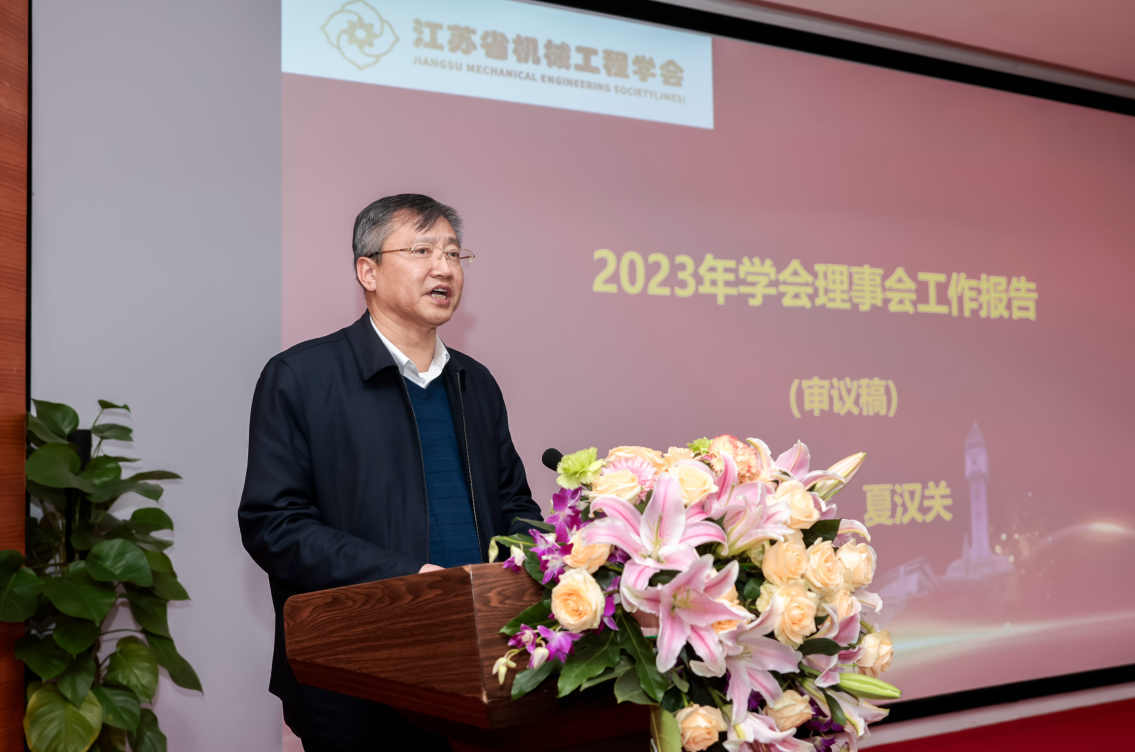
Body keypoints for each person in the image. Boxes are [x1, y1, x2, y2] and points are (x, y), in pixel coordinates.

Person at [238, 194, 543, 751]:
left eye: (453, 253)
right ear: (368, 271)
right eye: (422, 250)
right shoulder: (301, 377)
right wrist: (412, 580)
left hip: (480, 670)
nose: (444, 267)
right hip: (355, 678)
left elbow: (514, 503)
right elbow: (275, 526)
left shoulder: (475, 382)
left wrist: (534, 564)